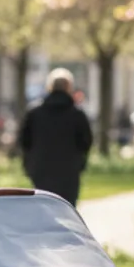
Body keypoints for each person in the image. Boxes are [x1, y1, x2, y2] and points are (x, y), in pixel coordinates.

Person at [19, 67, 94, 205]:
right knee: (66, 207)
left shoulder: (34, 114)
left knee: (44, 208)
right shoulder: (77, 115)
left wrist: (29, 164)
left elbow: (24, 142)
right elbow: (86, 142)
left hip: (41, 169)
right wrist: (80, 163)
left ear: (49, 87)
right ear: (69, 88)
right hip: (69, 171)